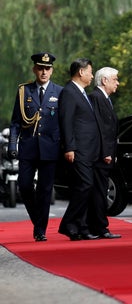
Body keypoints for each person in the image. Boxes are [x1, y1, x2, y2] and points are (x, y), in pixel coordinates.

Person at [8, 52, 63, 242]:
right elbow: (16, 122)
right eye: (40, 68)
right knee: (24, 186)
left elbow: (64, 123)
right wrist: (12, 144)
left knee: (45, 190)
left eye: (47, 68)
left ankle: (40, 230)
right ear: (34, 69)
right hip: (28, 147)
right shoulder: (25, 91)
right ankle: (37, 221)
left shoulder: (59, 92)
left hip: (50, 148)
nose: (44, 72)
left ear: (52, 71)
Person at [58, 58, 101, 241]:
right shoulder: (69, 92)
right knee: (85, 185)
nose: (92, 76)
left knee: (86, 187)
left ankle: (80, 228)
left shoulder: (81, 92)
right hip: (78, 149)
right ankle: (68, 224)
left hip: (88, 150)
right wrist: (69, 147)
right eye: (90, 71)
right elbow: (66, 121)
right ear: (81, 72)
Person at [87, 67, 122, 239]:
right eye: (115, 79)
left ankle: (98, 226)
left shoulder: (105, 98)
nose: (118, 83)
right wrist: (105, 152)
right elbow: (99, 128)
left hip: (105, 153)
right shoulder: (95, 97)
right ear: (104, 80)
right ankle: (99, 227)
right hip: (100, 154)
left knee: (101, 190)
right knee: (99, 191)